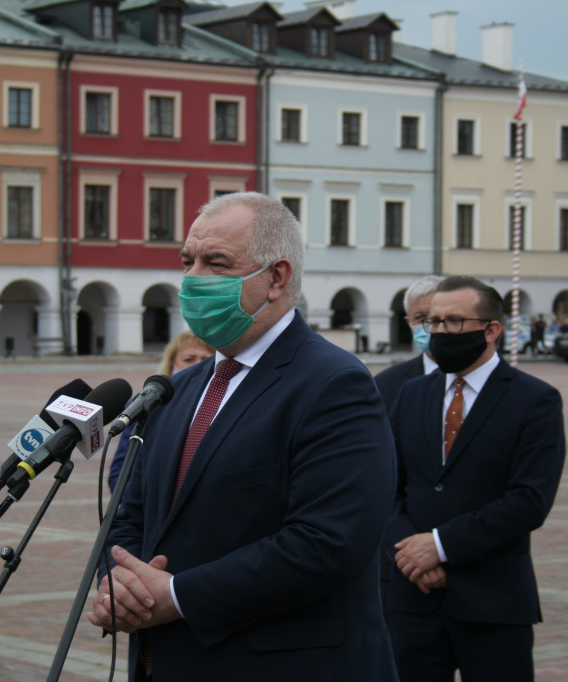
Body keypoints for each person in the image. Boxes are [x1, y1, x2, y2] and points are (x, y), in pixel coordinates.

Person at [87, 191, 398, 681]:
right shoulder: (175, 389)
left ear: (276, 278)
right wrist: (118, 583)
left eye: (216, 263)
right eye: (187, 261)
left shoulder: (334, 384)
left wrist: (178, 596)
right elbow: (129, 514)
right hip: (163, 661)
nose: (192, 279)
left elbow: (328, 543)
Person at [384, 275, 566, 682]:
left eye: (453, 322)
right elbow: (385, 485)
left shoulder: (535, 400)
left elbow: (529, 499)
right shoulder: (411, 394)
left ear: (491, 329)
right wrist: (413, 553)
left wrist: (441, 546)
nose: (440, 332)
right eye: (433, 322)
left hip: (493, 600)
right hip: (414, 598)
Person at [108, 331, 214, 492]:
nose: (197, 366)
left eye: (205, 360)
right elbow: (119, 474)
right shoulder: (147, 406)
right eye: (189, 359)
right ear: (172, 364)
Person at [375, 275, 442, 413]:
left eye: (437, 317)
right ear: (409, 323)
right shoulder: (385, 383)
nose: (429, 325)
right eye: (420, 318)